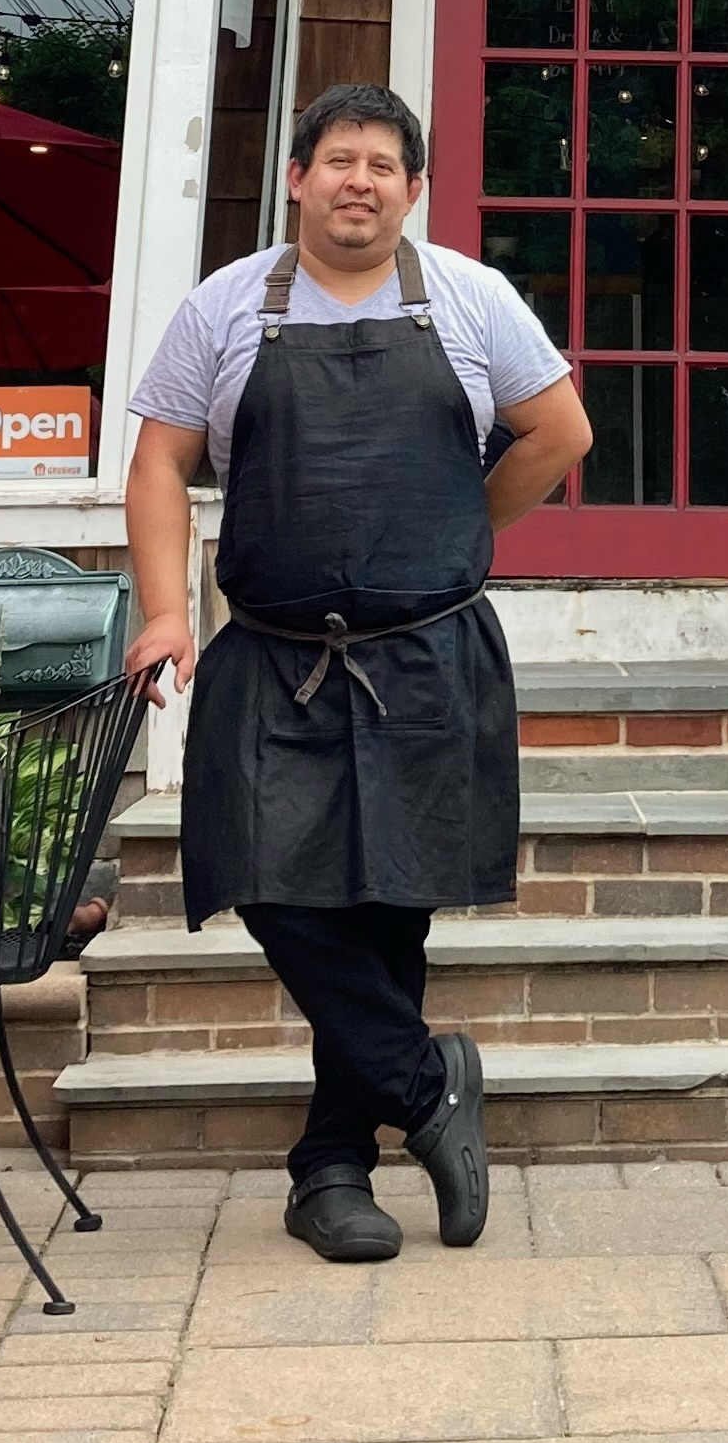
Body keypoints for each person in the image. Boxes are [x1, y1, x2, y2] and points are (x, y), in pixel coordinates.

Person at [123, 81, 591, 1264]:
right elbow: (161, 465)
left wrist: (459, 534)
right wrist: (169, 611)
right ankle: (430, 1083)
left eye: (385, 165)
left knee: (388, 916)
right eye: (340, 159)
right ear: (297, 177)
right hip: (273, 656)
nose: (361, 181)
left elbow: (561, 433)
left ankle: (331, 1168)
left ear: (413, 189)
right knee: (270, 883)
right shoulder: (227, 307)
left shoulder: (472, 300)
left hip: (427, 654)